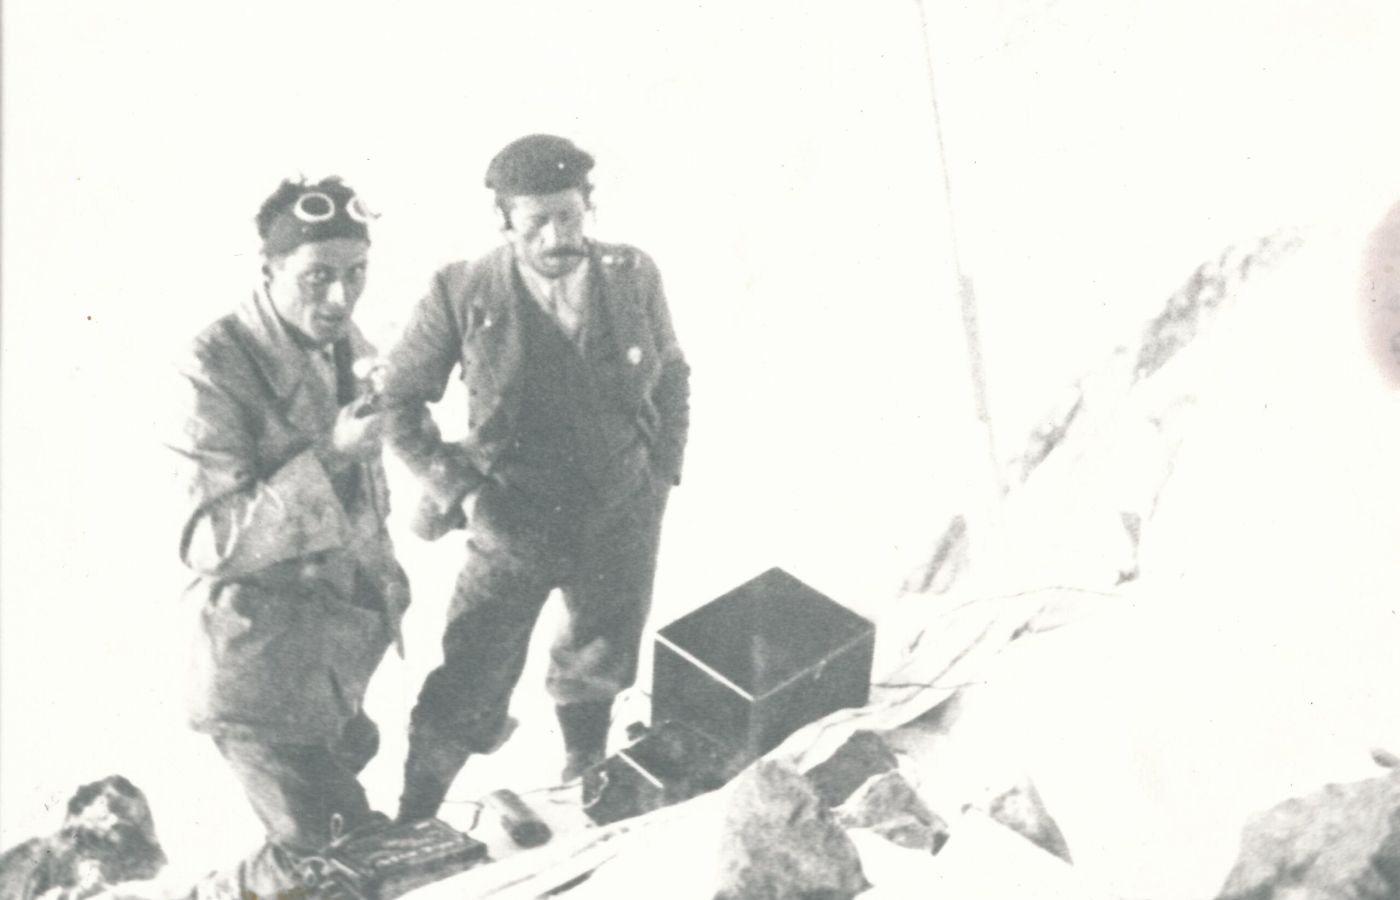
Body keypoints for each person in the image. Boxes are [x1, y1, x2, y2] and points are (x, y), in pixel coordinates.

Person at [381, 134, 690, 822]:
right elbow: (396, 403)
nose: (557, 237)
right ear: (504, 222)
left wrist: (659, 475)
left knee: (600, 654)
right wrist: (464, 495)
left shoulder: (633, 273)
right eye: (536, 222)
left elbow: (671, 373)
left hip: (619, 509)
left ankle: (587, 777)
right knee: (473, 671)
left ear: (588, 207)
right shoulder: (462, 289)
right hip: (512, 519)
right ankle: (414, 816)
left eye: (569, 217)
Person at [166, 176, 409, 896]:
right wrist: (330, 455)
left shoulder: (348, 348)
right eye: (317, 277)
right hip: (257, 672)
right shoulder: (211, 366)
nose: (339, 297)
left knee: (343, 852)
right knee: (327, 863)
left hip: (331, 671)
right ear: (268, 268)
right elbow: (209, 539)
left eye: (355, 273)